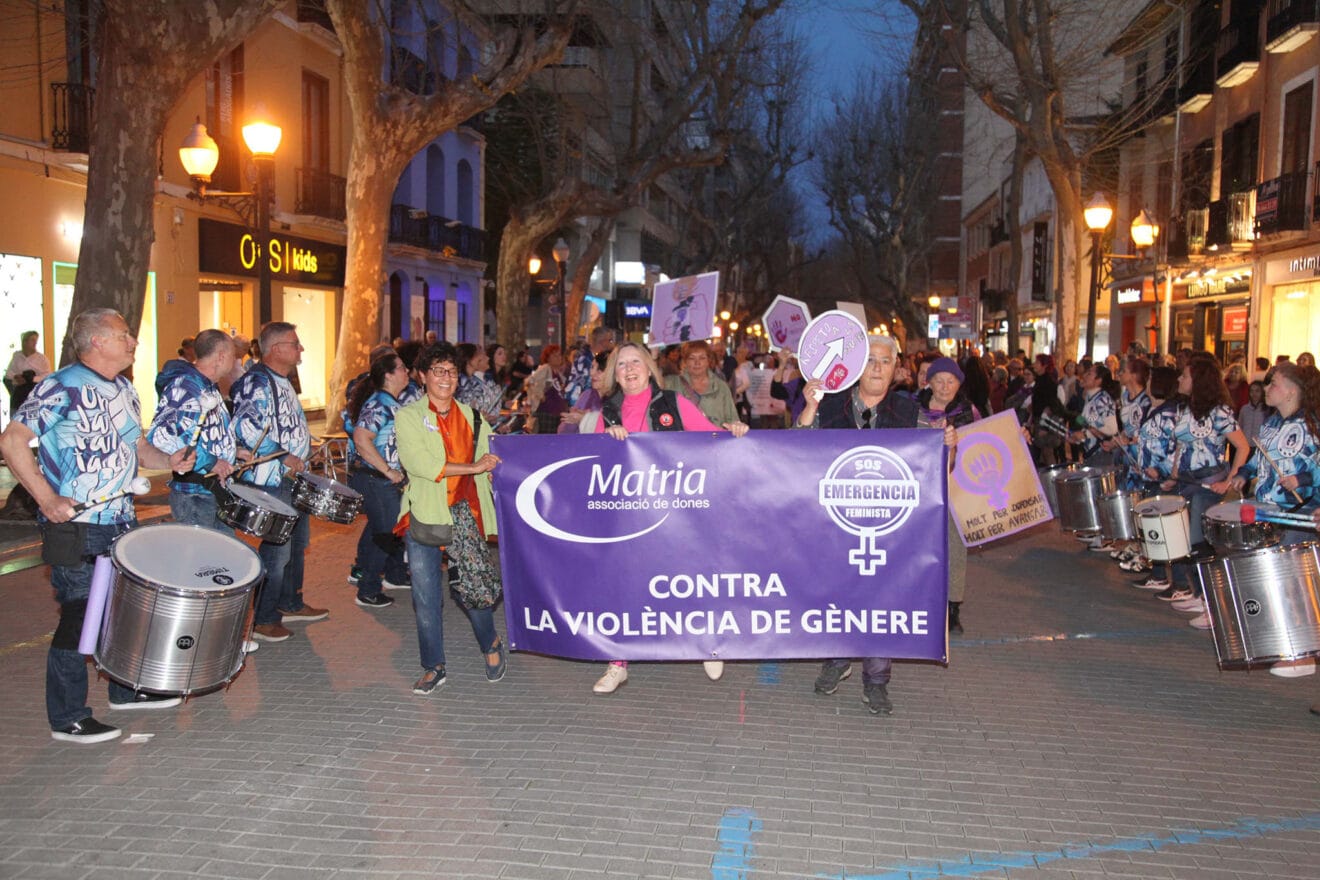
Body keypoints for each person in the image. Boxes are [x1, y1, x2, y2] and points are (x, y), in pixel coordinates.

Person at [0, 309, 194, 743]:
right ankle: (67, 716)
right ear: (97, 342)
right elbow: (12, 441)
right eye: (124, 335)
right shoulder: (59, 385)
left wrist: (169, 462)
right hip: (79, 525)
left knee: (120, 611)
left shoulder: (125, 388)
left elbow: (138, 446)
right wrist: (47, 499)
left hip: (120, 521)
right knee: (80, 615)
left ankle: (125, 691)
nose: (133, 342)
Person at [795, 335, 956, 716]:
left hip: (888, 530)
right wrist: (807, 408)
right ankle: (837, 658)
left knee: (882, 599)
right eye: (870, 361)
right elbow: (796, 450)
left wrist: (948, 447)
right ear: (855, 366)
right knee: (836, 593)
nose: (878, 368)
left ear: (897, 369)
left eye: (885, 361)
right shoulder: (829, 405)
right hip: (835, 524)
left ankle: (877, 679)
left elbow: (936, 470)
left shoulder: (909, 412)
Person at [590, 342, 750, 695]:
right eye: (621, 365)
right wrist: (608, 440)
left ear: (649, 368)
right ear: (614, 374)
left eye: (636, 362)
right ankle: (618, 663)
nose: (629, 369)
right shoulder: (609, 411)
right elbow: (596, 465)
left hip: (675, 512)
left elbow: (711, 437)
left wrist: (733, 431)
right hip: (628, 516)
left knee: (687, 576)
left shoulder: (672, 403)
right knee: (623, 587)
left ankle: (708, 641)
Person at [396, 342, 506, 694]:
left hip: (465, 512)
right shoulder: (409, 416)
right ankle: (434, 666)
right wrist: (473, 466)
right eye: (438, 371)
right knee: (426, 596)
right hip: (426, 513)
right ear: (423, 376)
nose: (446, 378)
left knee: (473, 588)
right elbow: (420, 465)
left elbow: (494, 456)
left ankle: (490, 644)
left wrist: (491, 470)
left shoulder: (473, 417)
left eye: (452, 371)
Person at [230, 321, 324, 642]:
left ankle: (290, 602)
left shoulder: (282, 380)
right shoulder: (256, 382)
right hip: (271, 480)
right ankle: (264, 618)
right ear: (275, 349)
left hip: (292, 479)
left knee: (297, 545)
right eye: (295, 344)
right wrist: (283, 455)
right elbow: (245, 424)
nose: (301, 349)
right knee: (278, 550)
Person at [1226, 363, 1320, 668]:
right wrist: (1243, 473)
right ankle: (1281, 643)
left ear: (1292, 390)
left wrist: (1303, 480)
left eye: (1273, 384)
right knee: (1272, 580)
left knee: (1293, 585)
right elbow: (1259, 458)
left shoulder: (1312, 426)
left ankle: (1303, 655)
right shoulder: (1271, 423)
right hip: (1270, 511)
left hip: (1300, 512)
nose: (1266, 389)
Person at [1155, 358, 1250, 604]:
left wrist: (1229, 481)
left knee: (1198, 541)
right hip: (1185, 482)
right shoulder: (1185, 410)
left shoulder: (1220, 412)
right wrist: (1173, 476)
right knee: (1186, 540)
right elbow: (1181, 446)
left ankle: (1209, 599)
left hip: (1208, 483)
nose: (1179, 379)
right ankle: (1199, 593)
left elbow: (1242, 447)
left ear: (1198, 381)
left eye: (1184, 376)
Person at [147, 329, 238, 531]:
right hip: (194, 495)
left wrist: (232, 451)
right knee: (199, 560)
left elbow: (201, 432)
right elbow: (162, 435)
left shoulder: (207, 386)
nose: (235, 360)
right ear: (221, 356)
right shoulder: (186, 387)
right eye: (233, 354)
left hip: (211, 492)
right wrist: (211, 462)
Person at [915, 356, 976, 634]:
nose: (944, 386)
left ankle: (952, 607)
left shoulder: (968, 412)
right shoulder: (911, 408)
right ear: (930, 382)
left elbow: (990, 438)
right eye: (939, 380)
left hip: (955, 490)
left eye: (950, 381)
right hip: (919, 488)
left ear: (958, 384)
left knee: (954, 545)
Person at [346, 352, 412, 609]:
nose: (407, 372)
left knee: (380, 533)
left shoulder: (391, 402)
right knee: (386, 535)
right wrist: (388, 470)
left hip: (383, 481)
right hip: (376, 480)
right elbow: (362, 438)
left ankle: (371, 579)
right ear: (389, 375)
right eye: (402, 368)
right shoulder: (379, 404)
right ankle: (368, 589)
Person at [664, 339, 741, 427]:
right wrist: (653, 357)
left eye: (702, 358)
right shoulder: (671, 384)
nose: (697, 363)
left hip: (714, 439)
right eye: (692, 358)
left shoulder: (721, 387)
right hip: (682, 439)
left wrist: (737, 427)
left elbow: (733, 420)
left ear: (709, 361)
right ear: (685, 361)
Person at [563, 326, 615, 406]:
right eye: (610, 340)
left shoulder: (600, 359)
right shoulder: (584, 361)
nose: (612, 344)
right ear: (602, 342)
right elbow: (575, 388)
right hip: (584, 408)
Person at [558, 352, 609, 434]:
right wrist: (574, 419)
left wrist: (584, 418)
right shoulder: (587, 395)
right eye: (592, 367)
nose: (592, 373)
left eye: (600, 370)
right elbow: (562, 431)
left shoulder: (617, 398)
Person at [4, 330, 52, 417]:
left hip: (34, 398)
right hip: (17, 398)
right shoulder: (17, 356)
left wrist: (30, 379)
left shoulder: (42, 359)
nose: (35, 343)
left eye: (35, 340)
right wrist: (16, 378)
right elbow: (8, 374)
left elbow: (48, 377)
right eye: (32, 340)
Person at [455, 342, 503, 426]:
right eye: (477, 354)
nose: (481, 357)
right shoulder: (459, 383)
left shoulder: (473, 383)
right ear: (469, 359)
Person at [1238, 379, 1269, 445]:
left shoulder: (1266, 410)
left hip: (1260, 445)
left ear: (1262, 392)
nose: (1254, 394)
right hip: (1246, 444)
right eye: (1251, 391)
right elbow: (1240, 426)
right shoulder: (1244, 409)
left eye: (1257, 391)